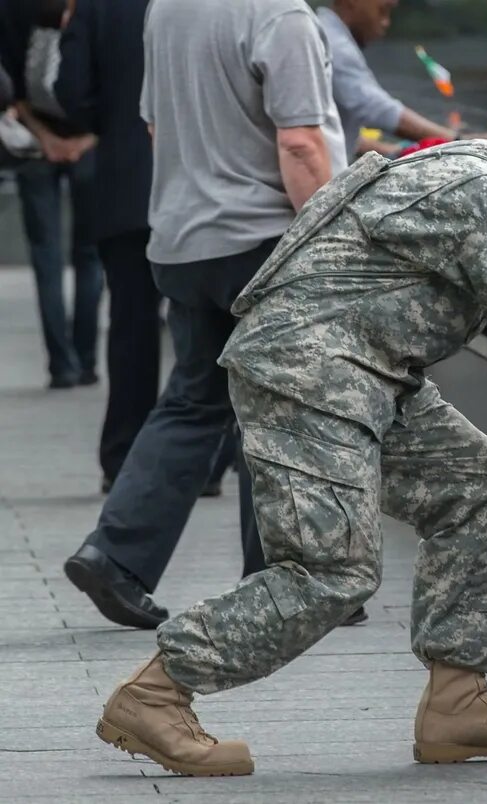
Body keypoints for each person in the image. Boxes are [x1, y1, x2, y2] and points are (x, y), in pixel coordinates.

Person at [93, 138, 487, 776]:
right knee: (330, 572)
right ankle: (157, 692)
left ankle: (458, 703)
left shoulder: (482, 168)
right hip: (309, 374)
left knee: (477, 486)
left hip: (367, 370)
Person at [62, 0, 355, 631]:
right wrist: (328, 246)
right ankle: (286, 580)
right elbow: (301, 142)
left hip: (182, 235)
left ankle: (114, 555)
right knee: (282, 409)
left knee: (195, 401)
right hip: (261, 240)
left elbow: (154, 128)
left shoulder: (167, 9)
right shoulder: (281, 16)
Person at [55, 0, 239, 499]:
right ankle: (207, 459)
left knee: (131, 328)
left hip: (124, 185)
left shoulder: (96, 7)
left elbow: (69, 90)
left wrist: (112, 123)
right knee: (210, 326)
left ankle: (124, 458)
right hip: (202, 186)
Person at [1, 0, 103, 390]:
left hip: (32, 143)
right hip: (88, 142)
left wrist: (44, 138)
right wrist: (83, 141)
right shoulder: (97, 8)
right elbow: (116, 82)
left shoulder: (12, 8)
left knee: (46, 257)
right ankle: (88, 360)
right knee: (90, 255)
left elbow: (8, 87)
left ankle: (61, 365)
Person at [317, 0, 468, 163]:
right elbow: (377, 108)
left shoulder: (326, 33)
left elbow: (334, 133)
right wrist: (460, 142)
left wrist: (393, 150)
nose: (386, 22)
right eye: (383, 10)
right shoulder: (335, 45)